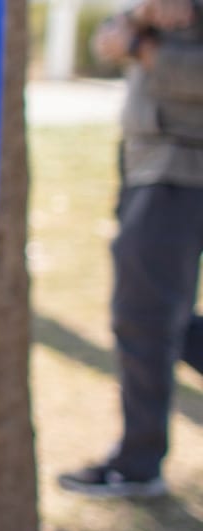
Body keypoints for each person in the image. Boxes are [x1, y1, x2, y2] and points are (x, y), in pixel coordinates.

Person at [59, 0, 203, 498]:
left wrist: (143, 47)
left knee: (146, 318)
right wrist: (139, 24)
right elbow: (106, 43)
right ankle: (139, 462)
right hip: (147, 167)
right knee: (164, 319)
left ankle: (138, 464)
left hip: (181, 174)